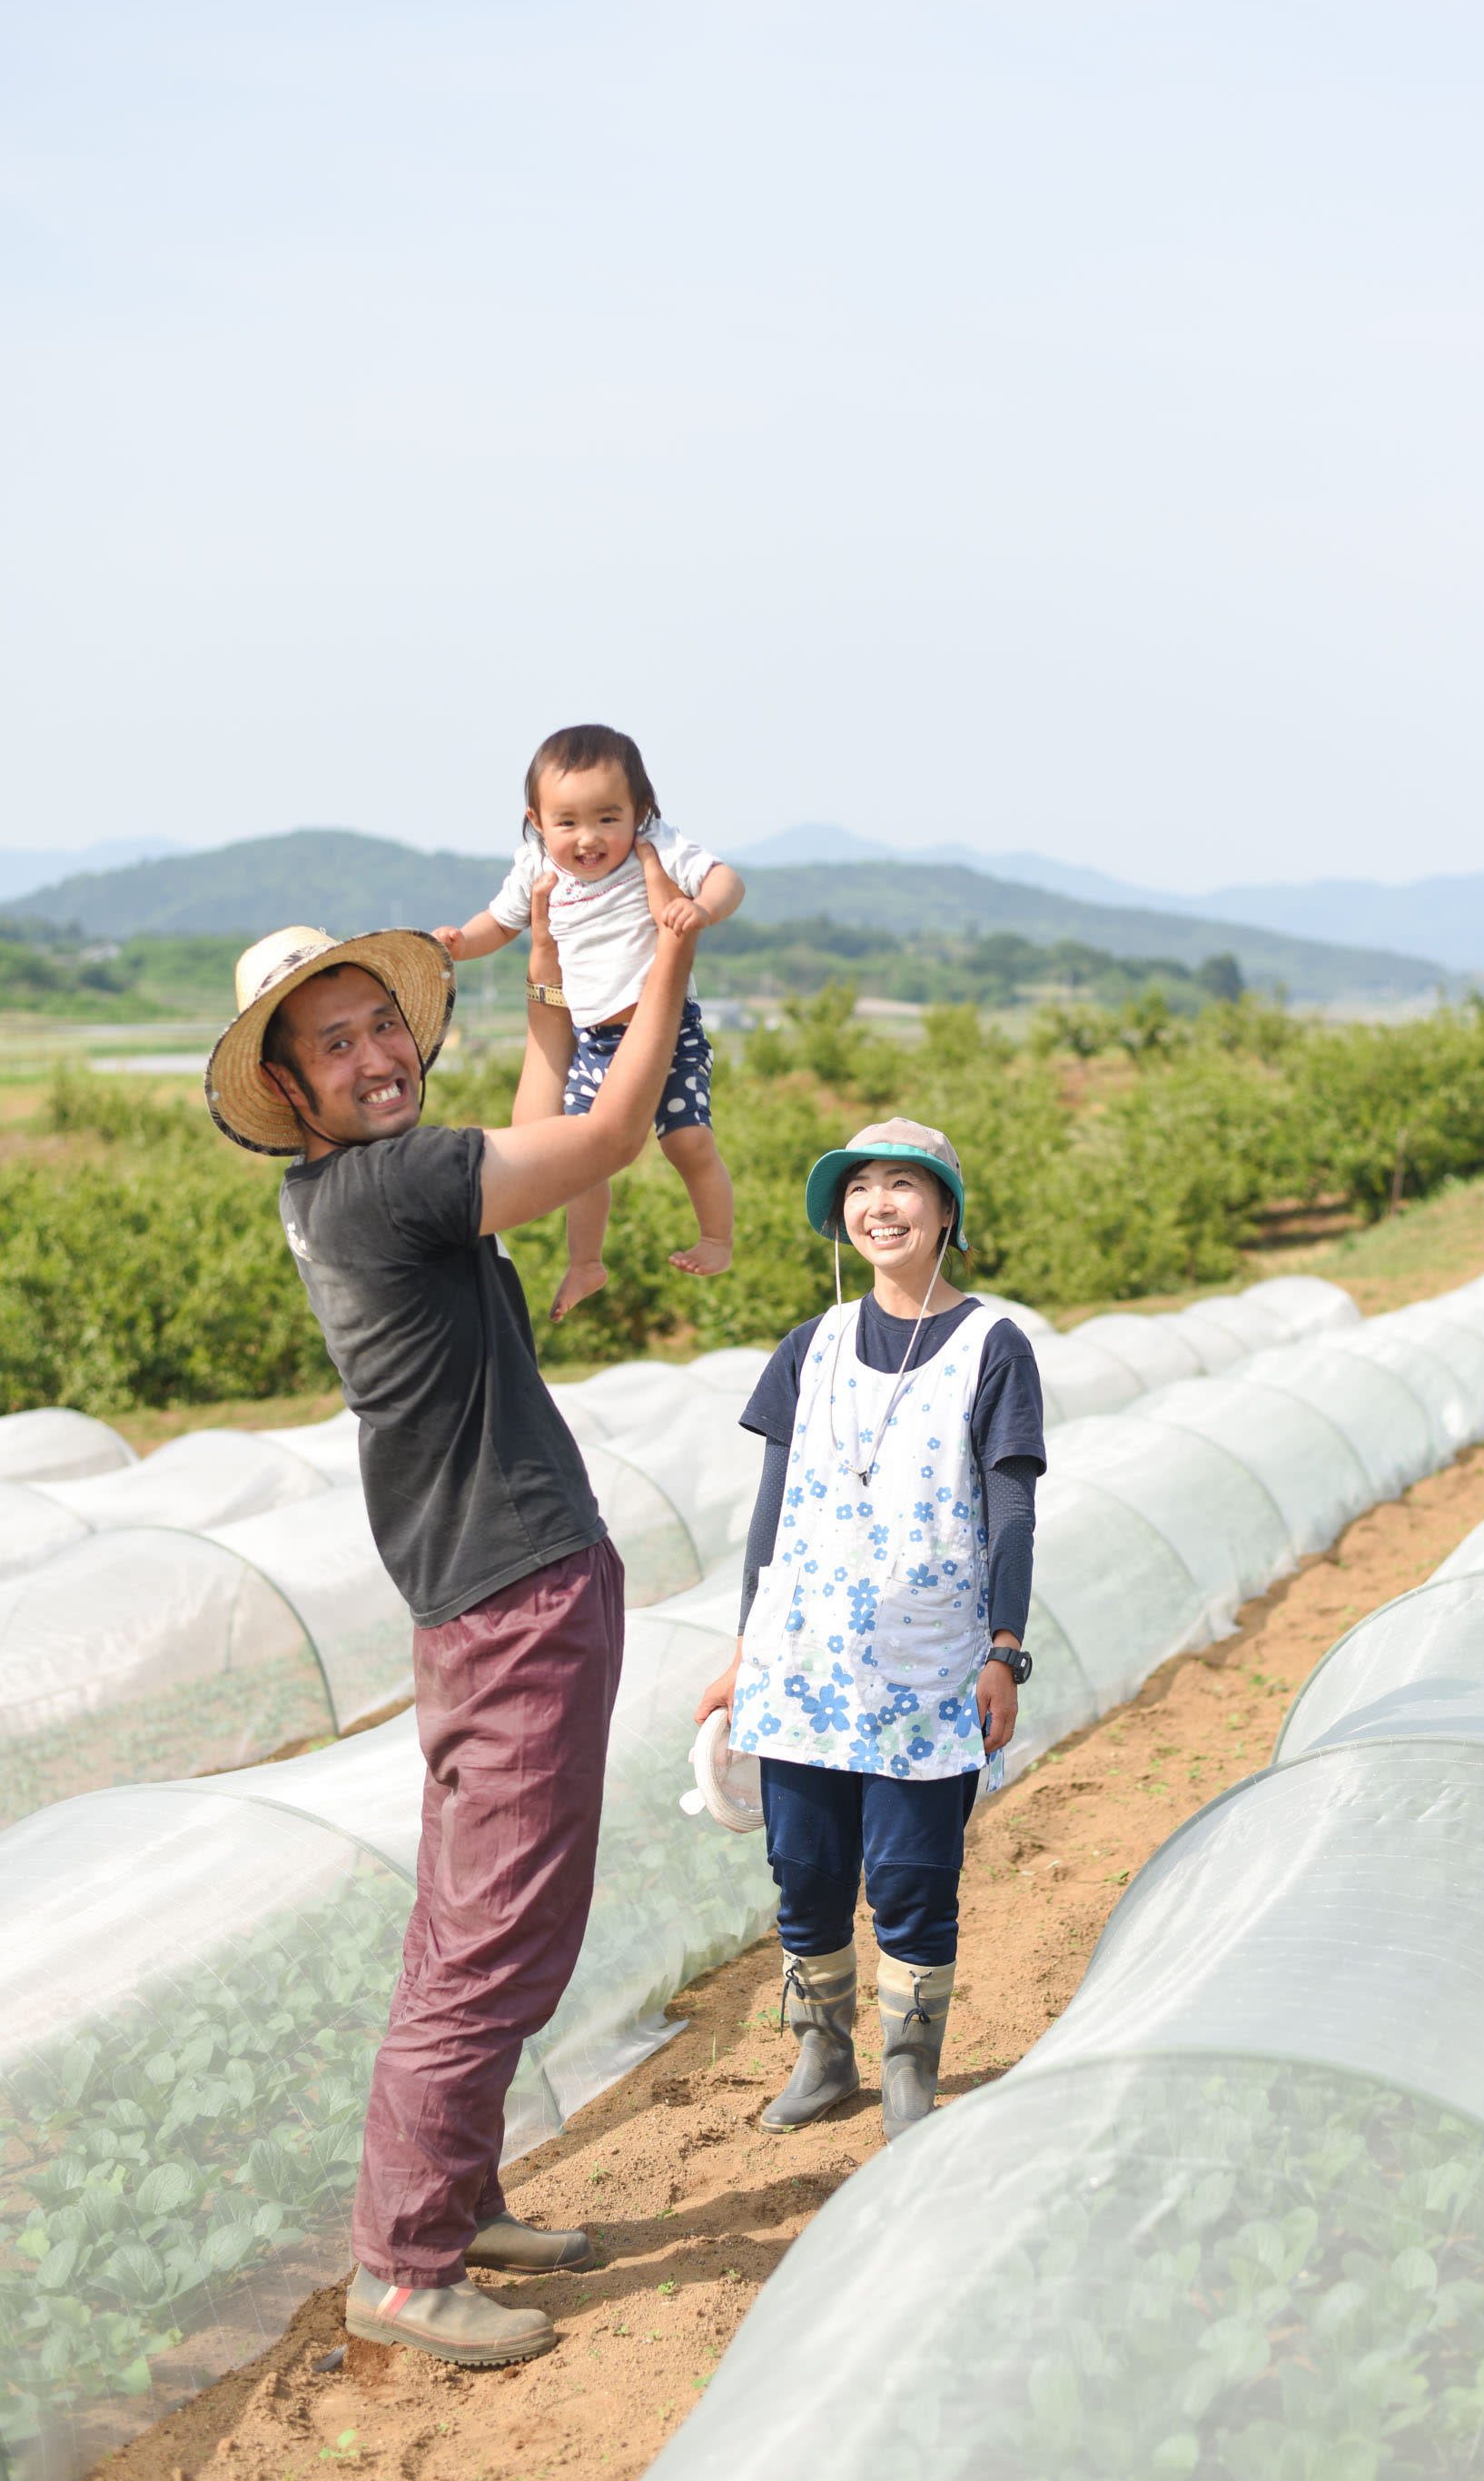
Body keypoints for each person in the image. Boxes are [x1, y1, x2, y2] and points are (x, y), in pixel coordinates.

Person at [204, 848, 694, 2368]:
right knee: (497, 1939)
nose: (372, 1056)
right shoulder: (395, 1186)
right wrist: (667, 950)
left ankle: (458, 2200)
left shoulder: (362, 1194)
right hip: (512, 1593)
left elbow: (538, 1125)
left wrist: (549, 979)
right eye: (333, 1043)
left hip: (482, 1591)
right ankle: (406, 2266)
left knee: (464, 1923)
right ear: (289, 1087)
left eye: (382, 1027)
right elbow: (607, 1136)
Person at [695, 1121, 1044, 2142]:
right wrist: (744, 1648)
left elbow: (1011, 1508)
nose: (878, 1205)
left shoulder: (993, 1345)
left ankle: (906, 2066)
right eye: (860, 1189)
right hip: (801, 1663)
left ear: (944, 1215)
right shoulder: (813, 1345)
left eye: (903, 1187)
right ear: (839, 1215)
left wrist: (1003, 1649)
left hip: (927, 1663)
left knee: (908, 1875)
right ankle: (823, 2051)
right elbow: (771, 1511)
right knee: (802, 1866)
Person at [434, 720, 743, 1320]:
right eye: (567, 822)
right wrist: (458, 943)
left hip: (667, 1031)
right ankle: (586, 1262)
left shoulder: (657, 847)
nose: (589, 837)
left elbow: (727, 880)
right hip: (594, 1041)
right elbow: (497, 924)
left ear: (641, 812)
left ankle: (717, 1239)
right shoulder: (535, 870)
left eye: (608, 817)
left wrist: (699, 908)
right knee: (578, 1157)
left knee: (688, 1140)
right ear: (537, 821)